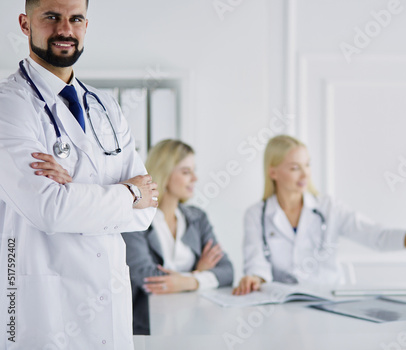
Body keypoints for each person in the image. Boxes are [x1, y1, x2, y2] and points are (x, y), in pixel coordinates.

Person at [0, 0, 159, 349]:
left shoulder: (107, 107)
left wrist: (77, 193)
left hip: (110, 305)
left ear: (87, 25)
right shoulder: (9, 104)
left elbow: (149, 209)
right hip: (44, 307)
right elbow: (50, 210)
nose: (65, 30)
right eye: (52, 18)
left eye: (76, 19)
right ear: (26, 24)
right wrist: (127, 194)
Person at [233, 135, 406, 295]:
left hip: (326, 300)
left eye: (308, 164)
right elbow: (257, 263)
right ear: (273, 172)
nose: (305, 173)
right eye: (294, 167)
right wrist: (255, 279)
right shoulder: (256, 215)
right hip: (281, 304)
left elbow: (377, 236)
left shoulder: (329, 208)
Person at [122, 139, 234, 335]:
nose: (195, 178)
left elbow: (227, 271)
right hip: (148, 324)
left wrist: (191, 281)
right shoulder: (137, 219)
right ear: (165, 174)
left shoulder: (197, 218)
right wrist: (199, 272)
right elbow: (147, 278)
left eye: (193, 170)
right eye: (186, 172)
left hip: (194, 321)